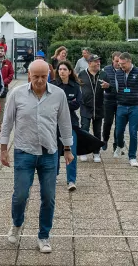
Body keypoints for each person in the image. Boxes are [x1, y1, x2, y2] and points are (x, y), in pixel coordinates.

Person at [0, 60, 73, 253]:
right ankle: (17, 224)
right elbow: (7, 122)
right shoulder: (17, 94)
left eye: (44, 76)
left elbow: (65, 122)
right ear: (29, 76)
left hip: (49, 152)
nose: (40, 80)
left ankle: (44, 236)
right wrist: (3, 148)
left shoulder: (58, 95)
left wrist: (67, 148)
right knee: (21, 195)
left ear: (49, 75)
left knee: (48, 197)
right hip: (24, 151)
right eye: (36, 77)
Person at [113, 52, 138, 168]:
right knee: (118, 131)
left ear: (129, 61)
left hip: (134, 107)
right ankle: (119, 145)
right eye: (119, 63)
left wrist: (136, 97)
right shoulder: (118, 73)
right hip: (121, 106)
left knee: (133, 132)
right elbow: (118, 88)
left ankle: (132, 156)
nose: (120, 66)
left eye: (123, 64)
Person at [52, 61, 81, 191]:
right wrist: (68, 102)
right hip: (54, 124)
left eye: (64, 69)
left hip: (71, 124)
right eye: (60, 69)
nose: (62, 71)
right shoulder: (52, 86)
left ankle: (71, 180)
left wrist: (62, 104)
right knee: (55, 152)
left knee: (71, 152)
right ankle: (54, 176)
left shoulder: (75, 87)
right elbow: (51, 104)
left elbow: (77, 104)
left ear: (69, 71)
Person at [78, 54, 109, 163]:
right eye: (95, 61)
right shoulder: (82, 74)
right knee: (84, 130)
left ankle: (96, 152)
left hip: (99, 108)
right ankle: (82, 152)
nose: (98, 63)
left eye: (99, 61)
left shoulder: (104, 74)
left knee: (97, 131)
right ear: (89, 63)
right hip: (86, 107)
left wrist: (108, 87)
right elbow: (77, 89)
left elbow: (111, 90)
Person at [102, 52, 121, 153]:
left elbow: (128, 89)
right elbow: (101, 83)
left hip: (121, 101)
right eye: (116, 61)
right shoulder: (106, 70)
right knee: (108, 122)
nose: (118, 63)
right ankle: (105, 140)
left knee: (119, 124)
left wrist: (125, 92)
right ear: (112, 60)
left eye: (120, 61)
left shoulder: (124, 70)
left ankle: (116, 144)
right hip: (108, 100)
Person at [0, 45, 14, 132]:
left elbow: (11, 74)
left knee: (1, 107)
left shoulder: (8, 62)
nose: (0, 52)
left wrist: (4, 82)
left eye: (2, 51)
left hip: (3, 88)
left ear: (4, 52)